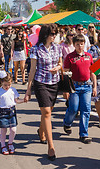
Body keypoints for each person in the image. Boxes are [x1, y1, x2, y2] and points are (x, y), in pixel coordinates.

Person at [24, 24, 62, 161]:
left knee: (47, 112)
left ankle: (41, 131)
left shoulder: (58, 47)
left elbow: (60, 63)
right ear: (45, 34)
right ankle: (51, 147)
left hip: (54, 83)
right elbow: (32, 70)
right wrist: (28, 90)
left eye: (55, 34)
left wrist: (57, 67)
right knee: (46, 112)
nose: (54, 36)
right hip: (41, 83)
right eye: (52, 34)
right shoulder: (35, 49)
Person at [63, 34, 97, 144]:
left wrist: (95, 86)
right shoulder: (70, 57)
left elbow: (93, 72)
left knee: (86, 109)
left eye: (81, 44)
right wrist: (66, 89)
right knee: (73, 108)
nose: (80, 46)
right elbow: (66, 73)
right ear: (74, 45)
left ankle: (84, 134)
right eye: (77, 44)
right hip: (74, 86)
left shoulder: (89, 56)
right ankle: (67, 122)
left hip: (87, 86)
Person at [0, 71, 23, 155]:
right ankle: (3, 145)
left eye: (9, 84)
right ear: (1, 82)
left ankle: (10, 143)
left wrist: (24, 100)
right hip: (3, 112)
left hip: (12, 111)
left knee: (13, 130)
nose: (7, 87)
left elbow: (16, 100)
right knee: (3, 130)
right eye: (5, 85)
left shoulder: (13, 90)